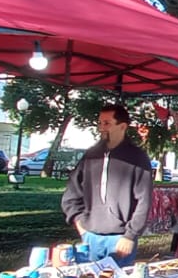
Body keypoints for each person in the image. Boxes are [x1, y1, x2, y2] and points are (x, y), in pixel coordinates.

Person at [61, 103, 153, 266]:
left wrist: (130, 235)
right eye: (100, 123)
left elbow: (144, 201)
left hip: (121, 239)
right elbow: (71, 194)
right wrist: (80, 224)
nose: (101, 128)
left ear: (122, 126)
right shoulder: (91, 156)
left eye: (107, 123)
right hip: (90, 237)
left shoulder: (137, 158)